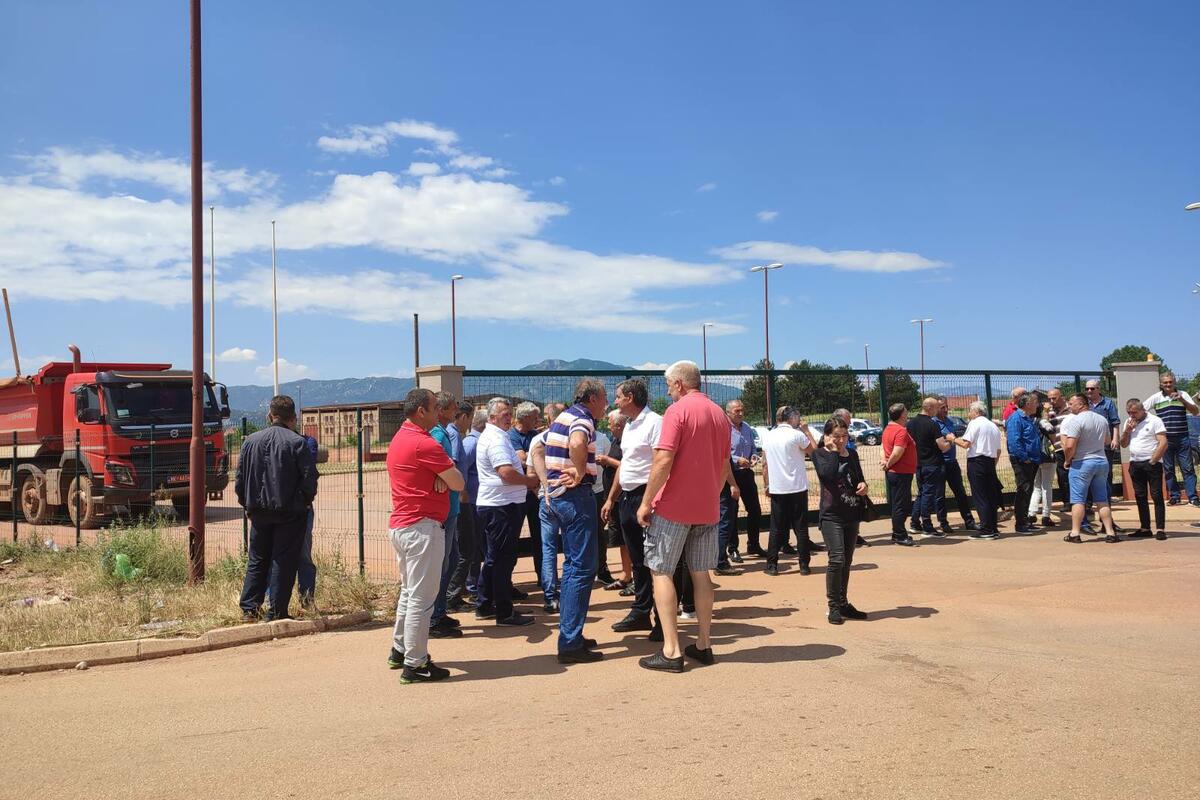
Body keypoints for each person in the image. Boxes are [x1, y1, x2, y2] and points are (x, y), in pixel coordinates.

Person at [636, 361, 734, 673]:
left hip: (674, 508)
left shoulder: (676, 412)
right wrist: (711, 495)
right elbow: (724, 465)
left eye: (668, 386)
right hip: (708, 508)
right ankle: (704, 644)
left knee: (661, 571)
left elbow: (663, 459)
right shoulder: (719, 414)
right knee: (701, 574)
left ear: (679, 383)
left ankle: (671, 650)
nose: (668, 392)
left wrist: (646, 502)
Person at [383, 388, 464, 684]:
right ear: (421, 412)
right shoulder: (424, 443)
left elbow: (447, 479)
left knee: (409, 593)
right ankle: (415, 663)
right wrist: (443, 476)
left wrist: (440, 477)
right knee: (422, 598)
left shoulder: (400, 438)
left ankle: (400, 650)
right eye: (434, 408)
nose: (439, 412)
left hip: (404, 526)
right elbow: (458, 482)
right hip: (422, 528)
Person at [236, 395, 319, 622]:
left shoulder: (250, 441)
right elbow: (309, 479)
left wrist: (247, 504)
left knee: (257, 559)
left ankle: (250, 609)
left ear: (270, 415)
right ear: (293, 417)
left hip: (258, 511)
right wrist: (303, 502)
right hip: (289, 513)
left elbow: (240, 479)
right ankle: (277, 611)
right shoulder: (297, 442)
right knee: (284, 560)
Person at [543, 379, 608, 664]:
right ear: (592, 398)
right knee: (582, 568)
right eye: (604, 398)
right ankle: (570, 642)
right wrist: (580, 472)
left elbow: (541, 448)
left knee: (573, 567)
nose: (607, 404)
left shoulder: (563, 417)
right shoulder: (583, 419)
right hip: (575, 497)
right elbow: (578, 442)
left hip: (560, 497)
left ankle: (571, 635)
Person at [603, 379, 665, 637]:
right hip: (627, 499)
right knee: (638, 560)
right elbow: (626, 464)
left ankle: (663, 620)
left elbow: (661, 462)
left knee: (657, 561)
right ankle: (641, 611)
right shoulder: (628, 425)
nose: (615, 400)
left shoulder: (655, 422)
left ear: (630, 397)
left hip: (646, 498)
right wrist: (611, 498)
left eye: (618, 396)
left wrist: (648, 501)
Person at [475, 397, 540, 626]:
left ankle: (485, 604)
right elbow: (506, 472)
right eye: (505, 414)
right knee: (502, 559)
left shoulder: (496, 436)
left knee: (495, 557)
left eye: (510, 413)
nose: (509, 418)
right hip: (501, 507)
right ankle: (504, 612)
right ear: (492, 417)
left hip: (499, 505)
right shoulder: (496, 439)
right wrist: (530, 481)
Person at [811, 417, 870, 624]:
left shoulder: (852, 454)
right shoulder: (819, 454)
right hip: (831, 515)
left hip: (851, 513)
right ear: (827, 436)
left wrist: (864, 485)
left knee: (847, 560)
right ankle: (833, 606)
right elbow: (827, 475)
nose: (841, 440)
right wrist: (834, 452)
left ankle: (843, 603)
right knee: (836, 559)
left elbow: (859, 477)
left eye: (844, 436)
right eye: (836, 436)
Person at [761, 405, 817, 576]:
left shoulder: (769, 436)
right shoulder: (796, 434)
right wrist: (807, 431)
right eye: (797, 416)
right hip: (797, 487)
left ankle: (772, 565)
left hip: (778, 488)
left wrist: (767, 485)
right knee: (801, 527)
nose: (799, 420)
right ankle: (804, 565)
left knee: (776, 527)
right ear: (791, 417)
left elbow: (764, 464)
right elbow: (814, 452)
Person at [427, 392, 466, 640]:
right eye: (452, 408)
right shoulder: (439, 435)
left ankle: (439, 611)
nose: (456, 412)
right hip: (445, 510)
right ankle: (434, 617)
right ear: (441, 410)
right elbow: (441, 468)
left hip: (450, 508)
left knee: (451, 560)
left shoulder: (443, 433)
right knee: (442, 564)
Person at [266, 430, 319, 612]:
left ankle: (306, 600)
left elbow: (307, 472)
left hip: (299, 507)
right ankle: (272, 602)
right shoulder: (268, 441)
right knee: (273, 556)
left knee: (303, 555)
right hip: (276, 506)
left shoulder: (306, 442)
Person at [1061, 393, 1119, 543]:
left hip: (1082, 462)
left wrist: (1067, 460)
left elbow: (1069, 445)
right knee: (1102, 499)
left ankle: (1075, 533)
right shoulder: (1101, 419)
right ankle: (1110, 532)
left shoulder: (1076, 421)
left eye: (1071, 403)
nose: (1069, 406)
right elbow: (1107, 440)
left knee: (1078, 500)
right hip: (1101, 461)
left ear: (1081, 404)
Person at [445, 407, 483, 612]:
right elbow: (454, 465)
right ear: (463, 417)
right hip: (461, 499)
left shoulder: (454, 435)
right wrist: (462, 491)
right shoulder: (454, 435)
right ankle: (452, 596)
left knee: (462, 549)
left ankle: (453, 595)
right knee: (465, 549)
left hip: (460, 498)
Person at [1143, 372, 1199, 507]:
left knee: (1188, 468)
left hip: (1182, 437)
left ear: (1174, 382)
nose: (1168, 384)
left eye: (1170, 382)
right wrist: (1153, 424)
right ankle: (1175, 496)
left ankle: (1192, 497)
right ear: (1161, 384)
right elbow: (1141, 410)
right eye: (1165, 382)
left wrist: (1182, 400)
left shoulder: (1183, 394)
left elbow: (1195, 411)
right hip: (1165, 439)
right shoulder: (1156, 397)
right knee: (1168, 469)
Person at [721, 400, 765, 559]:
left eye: (742, 410)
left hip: (747, 474)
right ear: (728, 413)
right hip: (730, 475)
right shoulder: (723, 428)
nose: (740, 413)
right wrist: (737, 460)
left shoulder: (746, 427)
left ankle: (754, 544)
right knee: (731, 512)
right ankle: (733, 548)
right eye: (737, 411)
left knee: (755, 510)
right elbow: (722, 453)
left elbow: (753, 448)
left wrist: (753, 456)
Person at [509, 402, 545, 587]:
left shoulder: (534, 435)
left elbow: (539, 457)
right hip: (517, 495)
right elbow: (522, 459)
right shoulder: (512, 436)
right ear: (524, 418)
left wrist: (533, 460)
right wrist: (535, 459)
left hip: (535, 494)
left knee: (540, 536)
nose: (537, 420)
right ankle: (508, 582)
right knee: (512, 537)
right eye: (534, 417)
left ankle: (543, 577)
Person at [1121, 399, 1168, 539]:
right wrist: (1127, 431)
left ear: (1142, 410)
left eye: (1134, 412)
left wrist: (1153, 460)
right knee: (1140, 496)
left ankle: (1160, 529)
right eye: (1129, 412)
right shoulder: (1129, 422)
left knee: (1156, 495)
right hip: (1135, 463)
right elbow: (1123, 444)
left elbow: (1163, 442)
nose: (1132, 415)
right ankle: (1145, 528)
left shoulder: (1154, 421)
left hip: (1151, 463)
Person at [953, 401, 1001, 540]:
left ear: (976, 411)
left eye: (970, 411)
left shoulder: (974, 423)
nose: (969, 414)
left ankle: (986, 529)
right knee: (990, 496)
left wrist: (953, 439)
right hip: (990, 462)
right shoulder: (993, 426)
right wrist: (992, 464)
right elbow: (998, 450)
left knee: (980, 496)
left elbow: (965, 443)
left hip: (977, 461)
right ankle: (993, 527)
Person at [906, 397, 954, 537]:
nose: (937, 411)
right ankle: (927, 525)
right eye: (936, 408)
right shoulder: (932, 424)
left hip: (918, 463)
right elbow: (942, 446)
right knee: (928, 494)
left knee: (921, 493)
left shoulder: (910, 423)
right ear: (929, 408)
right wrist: (950, 441)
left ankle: (915, 523)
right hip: (932, 464)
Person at [597, 410, 632, 589]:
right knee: (620, 539)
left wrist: (607, 461)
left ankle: (636, 578)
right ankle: (626, 576)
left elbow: (628, 465)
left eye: (610, 423)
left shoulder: (629, 441)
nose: (608, 426)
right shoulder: (615, 440)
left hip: (625, 497)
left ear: (618, 425)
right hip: (614, 498)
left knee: (630, 538)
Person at [934, 396, 978, 533]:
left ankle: (969, 521)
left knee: (960, 492)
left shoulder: (949, 421)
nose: (945, 410)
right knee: (939, 495)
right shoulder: (933, 423)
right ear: (936, 408)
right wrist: (950, 440)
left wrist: (952, 440)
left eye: (946, 406)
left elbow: (952, 438)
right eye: (942, 407)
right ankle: (943, 523)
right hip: (939, 463)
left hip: (952, 462)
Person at [1085, 379, 1123, 533]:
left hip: (1105, 448)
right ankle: (1086, 521)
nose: (1089, 391)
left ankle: (1107, 521)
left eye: (1092, 388)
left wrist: (1115, 439)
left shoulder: (1108, 403)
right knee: (1087, 482)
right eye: (1087, 389)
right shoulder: (1084, 404)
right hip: (1088, 448)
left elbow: (1115, 422)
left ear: (1099, 389)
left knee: (1106, 482)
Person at [881, 403, 917, 546]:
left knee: (900, 503)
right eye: (906, 411)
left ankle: (898, 532)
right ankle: (899, 534)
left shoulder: (888, 428)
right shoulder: (901, 431)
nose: (907, 413)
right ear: (902, 414)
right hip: (900, 472)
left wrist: (884, 461)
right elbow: (897, 452)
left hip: (898, 472)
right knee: (901, 504)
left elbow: (883, 448)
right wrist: (888, 464)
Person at [1006, 392, 1043, 535]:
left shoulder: (1028, 418)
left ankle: (1025, 520)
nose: (1037, 405)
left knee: (1028, 490)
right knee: (1023, 490)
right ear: (1027, 404)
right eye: (1035, 402)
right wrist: (1024, 457)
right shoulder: (1016, 418)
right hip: (1022, 461)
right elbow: (1014, 442)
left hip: (1031, 460)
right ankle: (1020, 523)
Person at [1029, 397, 1058, 528]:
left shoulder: (1029, 420)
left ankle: (1031, 513)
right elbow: (1051, 430)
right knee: (1046, 486)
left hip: (1034, 457)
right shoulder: (1042, 421)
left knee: (1036, 486)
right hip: (1046, 456)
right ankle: (1046, 515)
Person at [1045, 389, 1073, 515]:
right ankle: (1067, 502)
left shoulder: (1070, 409)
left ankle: (1084, 502)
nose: (1051, 401)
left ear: (1061, 397)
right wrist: (1046, 413)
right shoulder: (1049, 412)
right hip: (1057, 448)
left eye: (1054, 398)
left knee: (1076, 474)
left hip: (1071, 447)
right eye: (1049, 398)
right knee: (1062, 476)